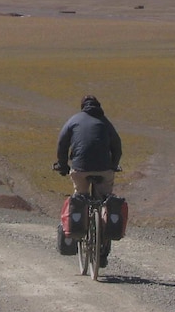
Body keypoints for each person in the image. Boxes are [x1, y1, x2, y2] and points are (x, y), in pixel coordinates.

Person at [54, 95, 122, 266]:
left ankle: (80, 228)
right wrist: (113, 165)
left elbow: (62, 143)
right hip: (104, 169)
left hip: (80, 169)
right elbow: (117, 146)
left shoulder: (74, 120)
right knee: (105, 201)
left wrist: (62, 165)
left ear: (82, 106)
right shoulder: (105, 122)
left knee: (80, 197)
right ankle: (103, 251)